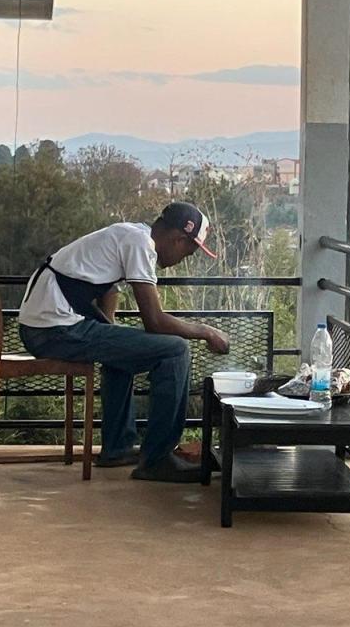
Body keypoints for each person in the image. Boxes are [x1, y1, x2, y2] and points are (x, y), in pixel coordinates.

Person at [18, 202, 230, 483]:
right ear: (178, 239)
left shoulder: (130, 234)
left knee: (123, 354)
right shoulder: (140, 244)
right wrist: (206, 331)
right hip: (53, 328)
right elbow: (155, 321)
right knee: (176, 350)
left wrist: (112, 333)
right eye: (188, 252)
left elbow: (109, 289)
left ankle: (117, 448)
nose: (183, 259)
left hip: (43, 325)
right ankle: (157, 460)